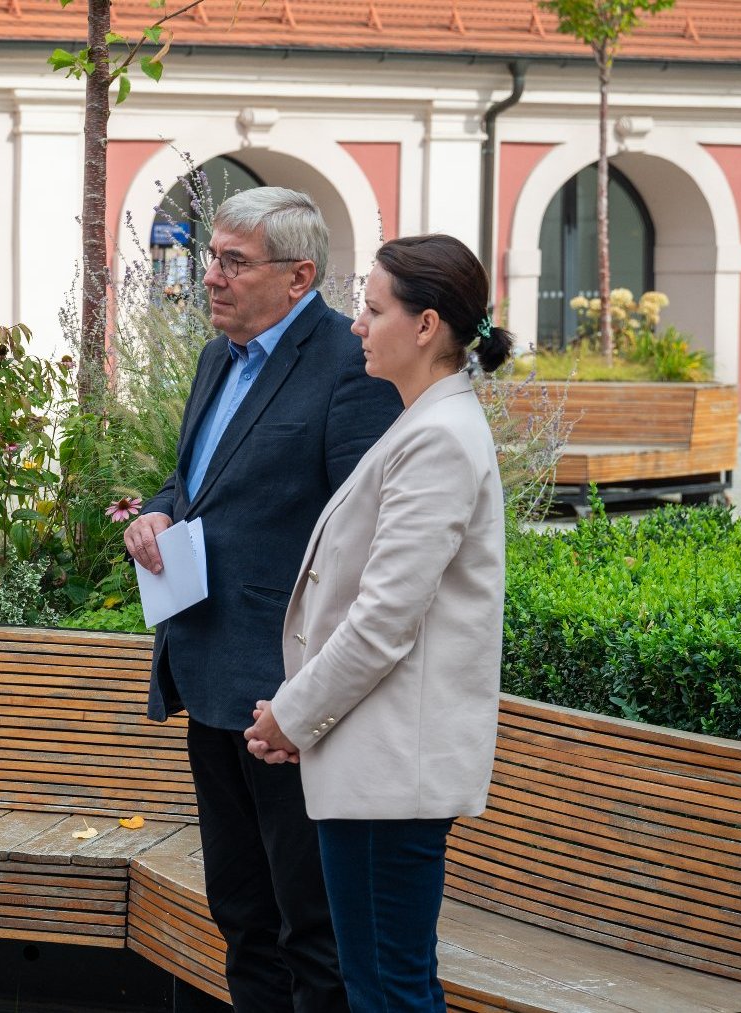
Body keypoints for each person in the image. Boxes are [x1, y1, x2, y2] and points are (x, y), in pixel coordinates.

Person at [123, 187, 403, 1013]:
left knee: (307, 929)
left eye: (233, 262)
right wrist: (161, 509)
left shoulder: (350, 364)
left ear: (298, 275)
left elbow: (361, 533)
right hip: (209, 675)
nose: (209, 276)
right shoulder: (219, 355)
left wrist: (309, 692)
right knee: (241, 915)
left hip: (289, 692)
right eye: (211, 257)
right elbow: (195, 477)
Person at [243, 233, 513, 1013]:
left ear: (426, 325)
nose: (356, 324)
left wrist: (290, 716)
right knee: (384, 985)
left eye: (372, 308)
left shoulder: (438, 437)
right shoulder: (425, 424)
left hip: (392, 773)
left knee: (388, 992)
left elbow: (383, 619)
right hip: (379, 765)